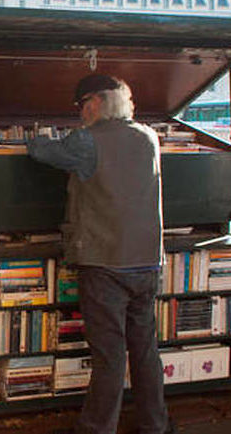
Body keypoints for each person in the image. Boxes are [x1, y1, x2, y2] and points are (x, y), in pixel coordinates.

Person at [28, 74, 171, 434]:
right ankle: (155, 425)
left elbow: (41, 152)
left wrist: (39, 136)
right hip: (148, 260)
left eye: (81, 106)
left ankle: (97, 429)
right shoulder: (149, 137)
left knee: (109, 355)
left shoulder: (86, 141)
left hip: (105, 262)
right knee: (144, 350)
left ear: (95, 102)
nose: (80, 114)